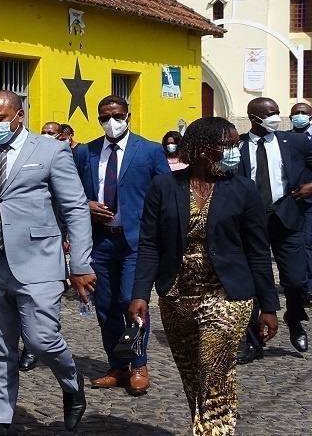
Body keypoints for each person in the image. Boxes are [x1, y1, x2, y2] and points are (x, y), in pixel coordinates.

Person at [0, 90, 96, 435]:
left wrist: (80, 263)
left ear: (18, 115)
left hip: (39, 260)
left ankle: (72, 382)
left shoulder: (50, 150)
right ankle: (0, 418)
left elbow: (75, 208)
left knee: (42, 340)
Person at [129, 117, 279, 435]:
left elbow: (258, 251)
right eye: (228, 145)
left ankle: (212, 431)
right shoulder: (164, 186)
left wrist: (268, 306)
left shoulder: (243, 189)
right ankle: (208, 426)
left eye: (237, 145)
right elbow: (149, 244)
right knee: (192, 375)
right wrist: (140, 293)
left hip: (227, 296)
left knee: (214, 372)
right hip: (177, 296)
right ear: (202, 149)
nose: (235, 151)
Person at [73, 95, 170, 395]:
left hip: (135, 241)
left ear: (127, 115)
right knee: (104, 306)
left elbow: (165, 194)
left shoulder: (149, 151)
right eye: (104, 117)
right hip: (100, 241)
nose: (111, 122)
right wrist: (86, 205)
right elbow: (71, 191)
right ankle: (117, 364)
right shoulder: (86, 152)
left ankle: (138, 364)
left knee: (131, 301)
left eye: (116, 115)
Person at [236, 97, 312, 362]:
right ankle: (253, 340)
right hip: (250, 220)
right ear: (253, 117)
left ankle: (294, 318)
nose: (275, 118)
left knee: (296, 279)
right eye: (269, 114)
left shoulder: (295, 142)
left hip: (286, 216)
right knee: (254, 281)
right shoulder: (238, 145)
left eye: (277, 112)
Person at [288, 102, 312, 316]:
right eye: (296, 113)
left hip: (310, 200)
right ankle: (301, 288)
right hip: (291, 201)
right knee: (297, 245)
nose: (300, 116)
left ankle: (308, 288)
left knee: (308, 243)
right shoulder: (285, 139)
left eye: (304, 113)